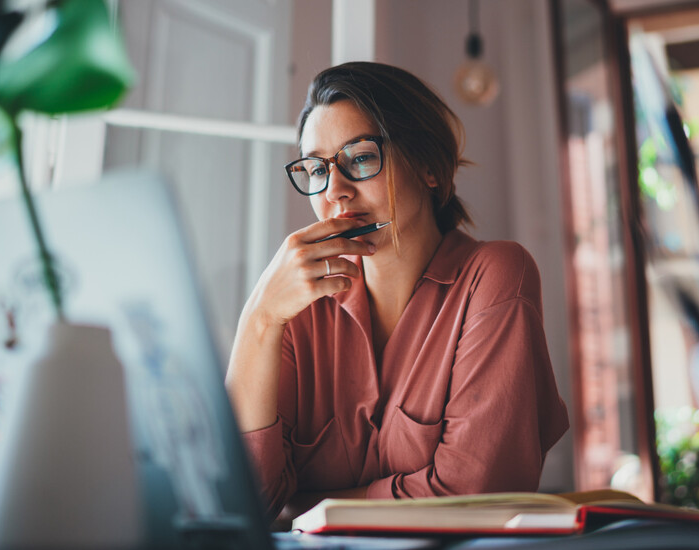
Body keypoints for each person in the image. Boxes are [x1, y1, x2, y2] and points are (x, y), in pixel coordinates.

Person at [226, 62, 569, 522]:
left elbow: (473, 494)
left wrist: (307, 507)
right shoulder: (296, 309)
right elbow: (242, 503)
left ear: (428, 166)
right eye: (316, 169)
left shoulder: (495, 276)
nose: (336, 193)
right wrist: (260, 318)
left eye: (361, 158)